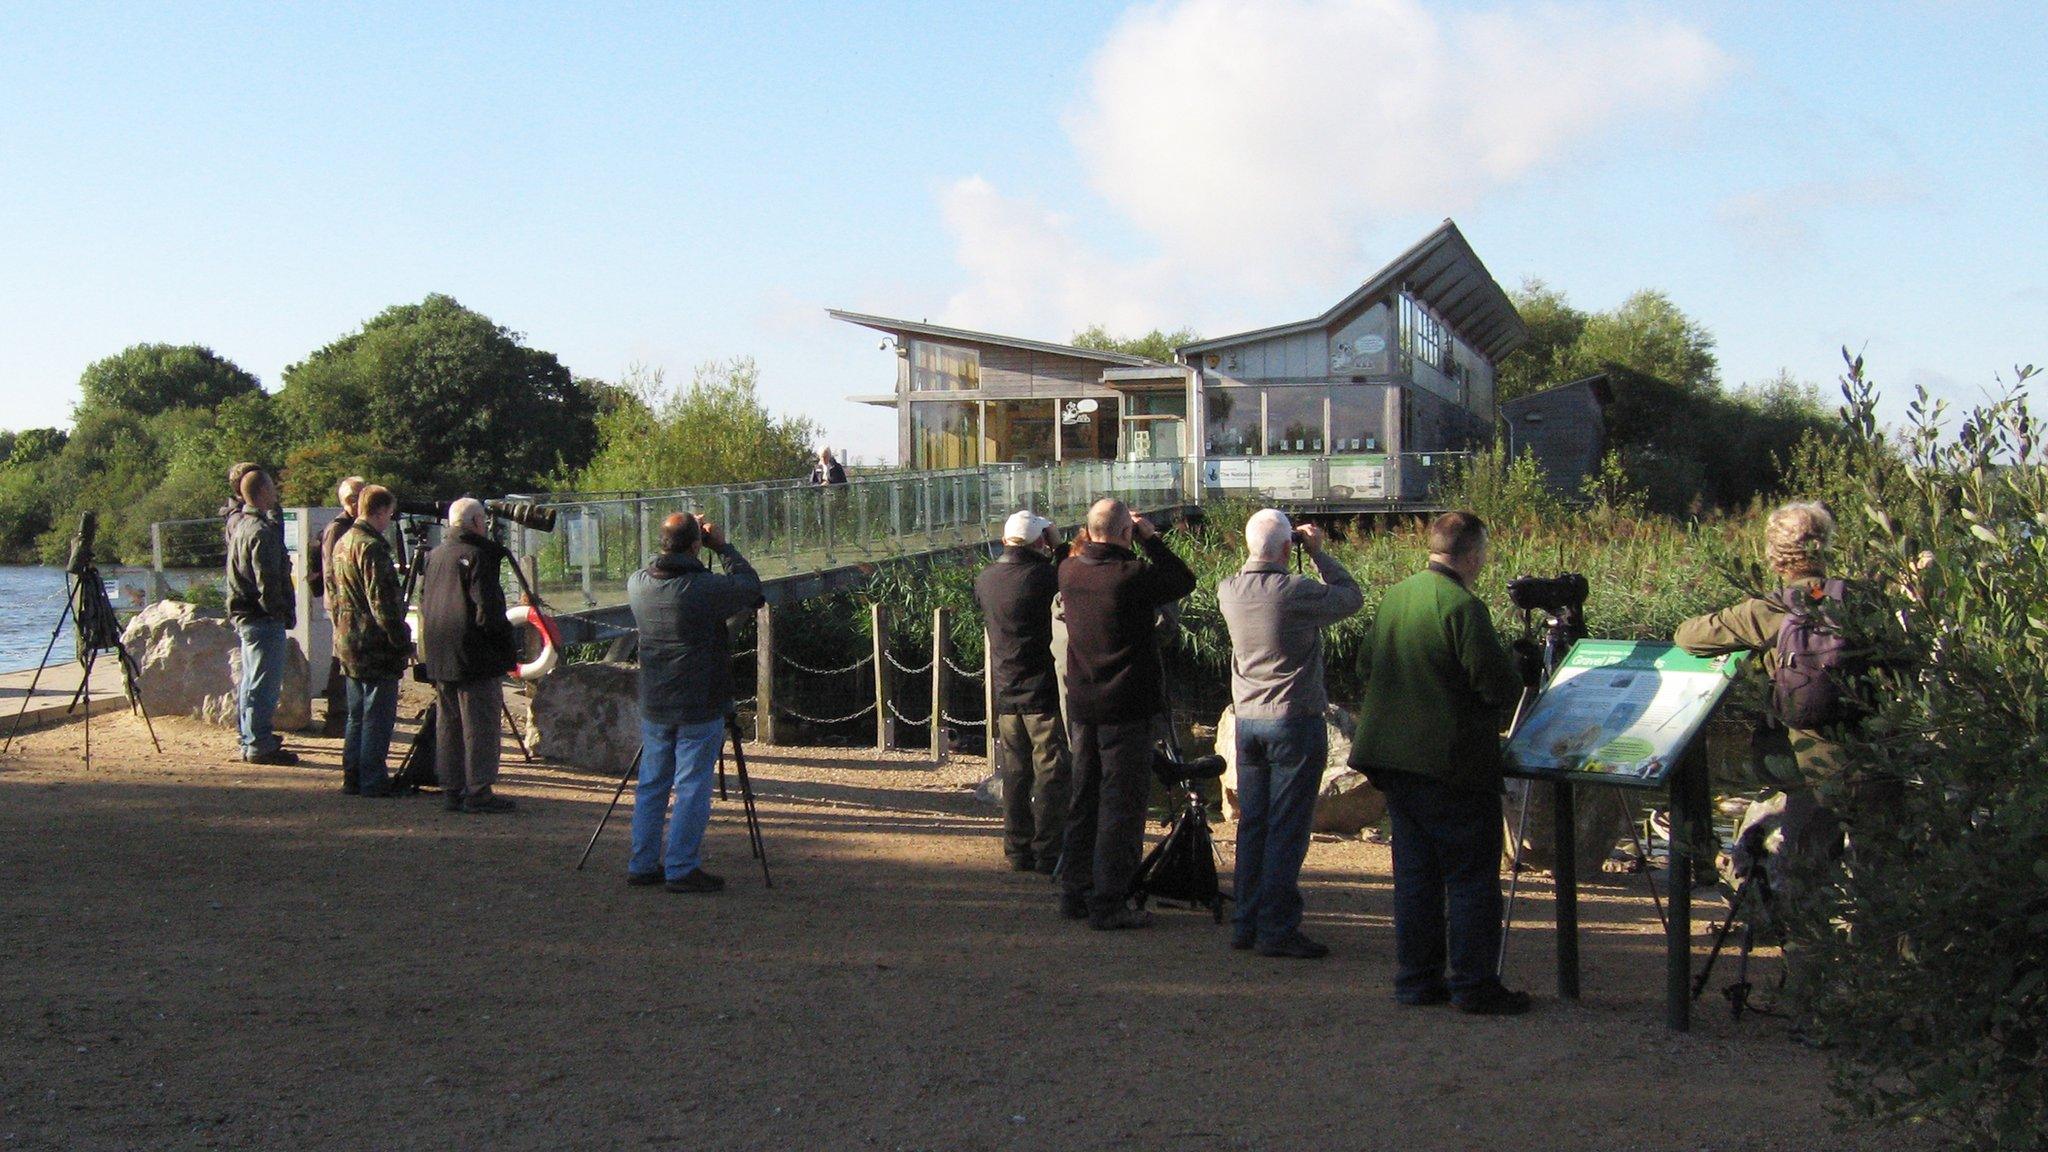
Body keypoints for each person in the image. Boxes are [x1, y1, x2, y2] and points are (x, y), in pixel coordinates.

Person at [1349, 511, 1530, 1014]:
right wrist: (1517, 668)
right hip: (1449, 765)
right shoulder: (1463, 607)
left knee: (1416, 877)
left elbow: (1366, 666)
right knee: (1471, 877)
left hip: (1393, 762)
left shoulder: (1396, 596)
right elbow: (1496, 686)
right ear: (1473, 553)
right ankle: (1474, 985)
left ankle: (1417, 980)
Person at [1675, 502, 1858, 868]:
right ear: (1824, 547)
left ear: (1775, 557)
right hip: (1870, 751)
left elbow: (1687, 636)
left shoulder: (1769, 608)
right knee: (1877, 867)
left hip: (1806, 760)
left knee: (1807, 871)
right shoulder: (1856, 597)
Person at [1218, 509, 1363, 959]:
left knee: (1254, 825)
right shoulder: (1296, 591)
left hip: (1248, 722)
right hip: (1293, 720)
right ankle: (1277, 928)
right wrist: (1319, 554)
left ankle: (1247, 921)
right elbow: (1351, 597)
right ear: (1287, 549)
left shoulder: (1228, 590)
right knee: (1287, 827)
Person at [1056, 498, 1197, 929]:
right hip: (1126, 706)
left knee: (1085, 798)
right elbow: (1183, 580)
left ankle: (1075, 892)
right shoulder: (1131, 576)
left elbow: (1067, 553)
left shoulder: (1069, 571)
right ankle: (1109, 902)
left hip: (1084, 703)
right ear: (1124, 533)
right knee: (1122, 805)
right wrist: (1152, 538)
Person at [626, 512, 762, 893]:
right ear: (694, 545)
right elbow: (750, 587)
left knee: (652, 783)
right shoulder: (702, 589)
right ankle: (681, 867)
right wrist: (723, 546)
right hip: (699, 700)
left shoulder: (637, 584)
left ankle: (642, 862)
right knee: (691, 786)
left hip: (655, 700)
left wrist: (699, 543)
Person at [974, 509, 1072, 874]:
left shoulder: (986, 579)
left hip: (1005, 688)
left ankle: (1017, 848)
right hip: (1042, 689)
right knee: (1051, 770)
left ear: (1005, 541)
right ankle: (1048, 850)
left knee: (1015, 771)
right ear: (1039, 542)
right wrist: (1060, 548)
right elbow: (1070, 576)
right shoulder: (1045, 576)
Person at [418, 498, 519, 814]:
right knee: (480, 724)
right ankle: (478, 790)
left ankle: (452, 786)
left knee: (449, 724)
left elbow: (424, 602)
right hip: (475, 653)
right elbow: (487, 611)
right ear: (477, 522)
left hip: (440, 651)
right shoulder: (479, 556)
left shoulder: (434, 556)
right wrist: (505, 645)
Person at [328, 484, 411, 797]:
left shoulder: (342, 542)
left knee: (357, 715)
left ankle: (353, 775)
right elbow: (383, 603)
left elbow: (334, 594)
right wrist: (400, 639)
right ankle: (374, 779)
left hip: (348, 640)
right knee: (377, 716)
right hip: (373, 645)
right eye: (388, 513)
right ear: (379, 511)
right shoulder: (372, 548)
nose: (390, 519)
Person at [225, 468, 299, 766]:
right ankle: (259, 743)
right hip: (261, 618)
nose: (276, 492)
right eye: (272, 488)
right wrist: (279, 614)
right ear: (264, 492)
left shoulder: (241, 525)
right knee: (263, 685)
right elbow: (267, 581)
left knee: (250, 681)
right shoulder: (260, 532)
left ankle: (249, 737)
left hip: (246, 617)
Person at [313, 475, 367, 735]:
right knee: (340, 659)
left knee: (346, 656)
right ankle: (337, 716)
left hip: (348, 603)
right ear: (350, 500)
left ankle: (346, 713)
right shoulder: (338, 529)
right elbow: (329, 571)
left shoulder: (356, 526)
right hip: (341, 604)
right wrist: (337, 605)